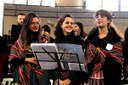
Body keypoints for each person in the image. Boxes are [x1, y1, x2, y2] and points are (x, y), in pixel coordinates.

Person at [85, 9, 124, 85]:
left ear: (109, 21)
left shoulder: (114, 38)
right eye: (97, 17)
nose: (99, 18)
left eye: (102, 16)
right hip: (92, 75)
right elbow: (87, 56)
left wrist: (102, 55)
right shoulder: (91, 37)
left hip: (109, 76)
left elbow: (117, 58)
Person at [9, 13, 49, 85]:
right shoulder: (19, 42)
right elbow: (12, 61)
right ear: (27, 25)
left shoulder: (42, 42)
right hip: (22, 75)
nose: (35, 25)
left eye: (37, 23)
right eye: (32, 23)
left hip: (41, 75)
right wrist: (27, 59)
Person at [53, 14, 88, 85]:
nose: (70, 25)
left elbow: (79, 63)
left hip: (74, 79)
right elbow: (54, 63)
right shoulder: (56, 41)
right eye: (67, 22)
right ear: (60, 25)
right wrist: (57, 78)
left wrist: (69, 79)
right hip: (59, 80)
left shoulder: (79, 42)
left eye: (71, 23)